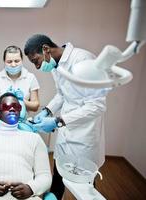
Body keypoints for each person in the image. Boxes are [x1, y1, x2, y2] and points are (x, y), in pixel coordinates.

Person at [24, 34, 108, 199]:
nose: (37, 66)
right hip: (66, 132)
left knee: (85, 187)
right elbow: (62, 95)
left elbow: (97, 105)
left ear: (46, 49)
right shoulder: (56, 65)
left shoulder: (83, 61)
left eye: (36, 60)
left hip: (84, 136)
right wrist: (47, 111)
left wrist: (58, 121)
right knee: (58, 178)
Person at [0, 45, 40, 123]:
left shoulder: (30, 77)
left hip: (22, 122)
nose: (13, 65)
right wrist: (6, 100)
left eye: (17, 61)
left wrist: (21, 101)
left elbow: (35, 106)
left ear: (22, 60)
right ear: (4, 61)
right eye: (9, 62)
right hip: (0, 122)